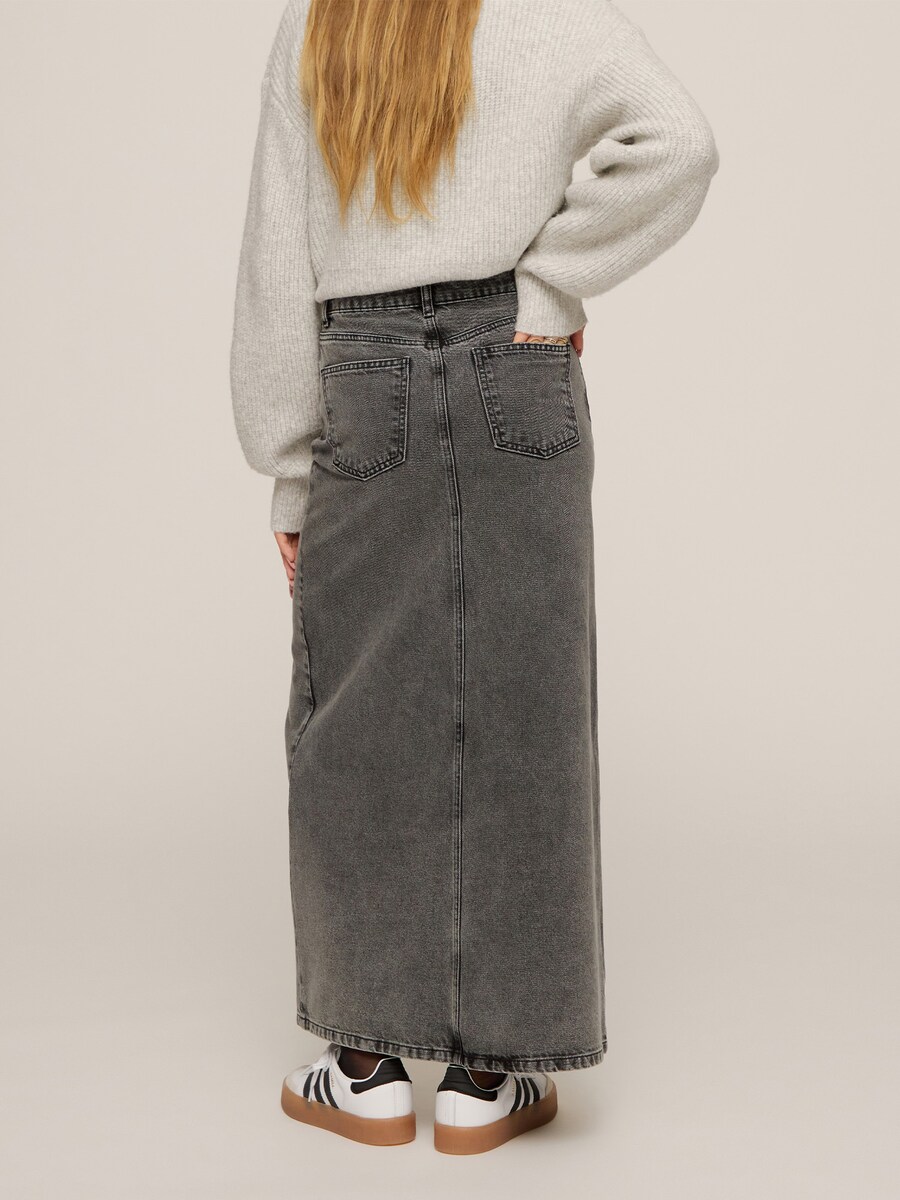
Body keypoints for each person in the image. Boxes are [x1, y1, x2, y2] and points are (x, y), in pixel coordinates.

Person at [230, 0, 718, 1154]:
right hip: (517, 368)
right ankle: (487, 1077)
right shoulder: (553, 13)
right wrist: (549, 287)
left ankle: (365, 1066)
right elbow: (681, 141)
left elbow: (276, 253)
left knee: (356, 718)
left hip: (365, 375)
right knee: (524, 703)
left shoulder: (321, 22)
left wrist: (290, 468)